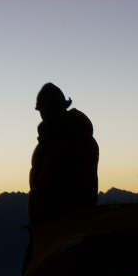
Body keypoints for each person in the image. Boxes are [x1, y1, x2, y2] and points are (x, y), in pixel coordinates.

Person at [28, 83, 99, 227]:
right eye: (41, 110)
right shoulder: (47, 141)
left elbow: (82, 186)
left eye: (46, 109)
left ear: (57, 107)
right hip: (46, 225)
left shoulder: (78, 139)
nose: (42, 114)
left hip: (68, 225)